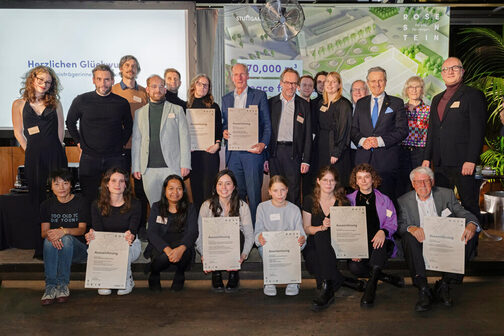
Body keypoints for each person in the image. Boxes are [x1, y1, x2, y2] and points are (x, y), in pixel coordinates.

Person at [398, 166, 480, 312]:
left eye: (426, 181)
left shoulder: (446, 194)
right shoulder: (404, 201)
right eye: (418, 182)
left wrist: (472, 224)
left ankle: (445, 284)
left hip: (444, 239)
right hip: (421, 241)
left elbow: (463, 213)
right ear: (413, 184)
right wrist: (412, 228)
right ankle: (423, 288)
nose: (423, 185)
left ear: (432, 181)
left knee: (470, 234)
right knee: (407, 238)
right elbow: (401, 225)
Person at [422, 57, 487, 219]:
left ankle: (471, 243)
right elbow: (432, 130)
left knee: (469, 203)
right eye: (446, 69)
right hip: (440, 163)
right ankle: (449, 242)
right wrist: (427, 158)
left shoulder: (473, 95)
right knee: (444, 205)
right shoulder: (437, 98)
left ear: (462, 71)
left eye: (455, 68)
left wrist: (471, 159)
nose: (450, 72)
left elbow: (478, 131)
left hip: (463, 162)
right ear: (442, 74)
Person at [66, 64, 132, 204]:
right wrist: (79, 142)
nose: (103, 83)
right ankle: (91, 226)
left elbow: (129, 126)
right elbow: (70, 122)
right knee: (89, 198)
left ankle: (115, 226)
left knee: (118, 197)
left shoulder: (121, 103)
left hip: (115, 157)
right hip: (89, 158)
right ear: (93, 80)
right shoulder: (81, 100)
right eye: (99, 79)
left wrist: (121, 144)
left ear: (113, 81)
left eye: (107, 79)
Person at [222, 63, 272, 223]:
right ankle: (240, 231)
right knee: (237, 195)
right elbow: (225, 124)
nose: (239, 78)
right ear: (232, 77)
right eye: (236, 74)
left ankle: (256, 233)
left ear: (248, 76)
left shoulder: (259, 95)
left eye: (242, 74)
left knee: (254, 195)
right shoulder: (226, 99)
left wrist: (263, 145)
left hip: (253, 153)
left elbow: (267, 124)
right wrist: (224, 132)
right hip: (234, 154)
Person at [347, 163, 402, 306]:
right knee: (354, 268)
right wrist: (352, 249)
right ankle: (385, 277)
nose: (364, 181)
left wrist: (383, 231)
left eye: (367, 177)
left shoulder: (385, 200)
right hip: (360, 244)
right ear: (356, 181)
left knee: (380, 246)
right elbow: (344, 227)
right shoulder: (348, 201)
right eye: (360, 178)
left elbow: (393, 222)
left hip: (381, 241)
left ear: (373, 179)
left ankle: (370, 289)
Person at [132, 75, 191, 206]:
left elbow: (185, 138)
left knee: (174, 206)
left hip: (172, 167)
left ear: (165, 90)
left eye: (161, 86)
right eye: (154, 86)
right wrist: (136, 166)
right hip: (148, 168)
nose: (157, 90)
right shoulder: (139, 113)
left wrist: (185, 163)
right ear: (147, 89)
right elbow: (137, 141)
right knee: (154, 206)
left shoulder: (177, 110)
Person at [351, 66, 408, 202]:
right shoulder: (361, 103)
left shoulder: (396, 103)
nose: (377, 84)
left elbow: (402, 130)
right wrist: (362, 141)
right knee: (363, 202)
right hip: (363, 162)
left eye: (380, 80)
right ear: (368, 82)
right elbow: (353, 130)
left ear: (386, 81)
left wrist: (380, 141)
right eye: (373, 81)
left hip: (386, 163)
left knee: (386, 201)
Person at [12, 66, 67, 205]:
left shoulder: (55, 103)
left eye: (48, 82)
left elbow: (61, 130)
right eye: (41, 80)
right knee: (37, 195)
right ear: (32, 79)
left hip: (55, 154)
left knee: (59, 193)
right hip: (33, 155)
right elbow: (18, 132)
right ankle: (40, 225)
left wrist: (56, 149)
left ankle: (59, 225)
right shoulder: (18, 104)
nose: (44, 84)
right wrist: (30, 150)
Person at [196, 169, 254, 293]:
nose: (224, 187)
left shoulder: (243, 206)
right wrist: (203, 255)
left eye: (228, 183)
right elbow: (200, 234)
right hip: (213, 246)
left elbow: (249, 235)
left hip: (235, 247)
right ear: (215, 186)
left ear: (234, 186)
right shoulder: (206, 206)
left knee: (238, 233)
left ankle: (234, 273)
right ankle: (216, 273)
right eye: (220, 183)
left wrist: (243, 254)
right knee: (211, 233)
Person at [85, 168, 141, 296]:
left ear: (126, 184)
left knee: (124, 247)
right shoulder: (96, 205)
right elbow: (98, 230)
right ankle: (105, 280)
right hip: (106, 244)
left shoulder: (135, 204)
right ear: (107, 183)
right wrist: (92, 235)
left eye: (122, 181)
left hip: (130, 244)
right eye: (114, 180)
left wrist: (130, 235)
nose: (117, 184)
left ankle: (127, 280)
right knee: (92, 246)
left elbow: (133, 229)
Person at [302, 166, 350, 311]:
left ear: (336, 183)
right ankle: (340, 280)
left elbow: (348, 229)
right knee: (313, 257)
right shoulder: (310, 200)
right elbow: (306, 228)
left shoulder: (343, 202)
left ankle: (327, 288)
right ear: (318, 181)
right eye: (325, 180)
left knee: (323, 238)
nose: (328, 184)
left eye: (332, 180)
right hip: (314, 243)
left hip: (335, 244)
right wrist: (321, 228)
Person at [111, 55, 149, 237]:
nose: (130, 68)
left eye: (134, 66)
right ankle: (121, 226)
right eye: (127, 65)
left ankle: (140, 227)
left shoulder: (144, 92)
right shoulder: (112, 90)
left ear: (137, 69)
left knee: (140, 189)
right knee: (120, 187)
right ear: (120, 69)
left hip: (141, 147)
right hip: (119, 148)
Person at [40, 169, 88, 305]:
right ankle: (50, 287)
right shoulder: (46, 205)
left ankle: (62, 284)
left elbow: (82, 230)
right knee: (50, 239)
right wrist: (54, 235)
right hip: (55, 248)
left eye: (65, 183)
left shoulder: (81, 202)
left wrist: (64, 231)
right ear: (51, 187)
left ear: (71, 185)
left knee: (65, 238)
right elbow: (44, 233)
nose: (61, 188)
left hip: (78, 250)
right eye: (56, 184)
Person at [265, 68, 312, 206]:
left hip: (294, 154)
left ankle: (293, 225)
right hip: (274, 153)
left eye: (294, 83)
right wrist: (265, 157)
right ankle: (277, 224)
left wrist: (306, 160)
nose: (290, 86)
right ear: (281, 83)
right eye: (287, 82)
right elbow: (265, 130)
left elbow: (308, 135)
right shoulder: (271, 103)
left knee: (293, 191)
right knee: (275, 189)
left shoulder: (303, 105)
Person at [254, 175, 306, 296]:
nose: (280, 194)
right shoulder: (262, 208)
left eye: (283, 190)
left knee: (299, 245)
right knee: (262, 247)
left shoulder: (294, 209)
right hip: (270, 245)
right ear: (269, 192)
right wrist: (259, 238)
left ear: (287, 190)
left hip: (289, 245)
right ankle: (270, 280)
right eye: (275, 190)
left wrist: (302, 238)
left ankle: (293, 280)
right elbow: (258, 231)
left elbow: (301, 232)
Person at [145, 175, 198, 291]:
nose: (175, 192)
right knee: (163, 257)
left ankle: (180, 274)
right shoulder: (156, 207)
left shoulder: (190, 208)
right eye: (171, 188)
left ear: (183, 191)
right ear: (165, 190)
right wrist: (167, 249)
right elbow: (151, 232)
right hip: (161, 245)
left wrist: (181, 248)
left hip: (182, 245)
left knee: (185, 253)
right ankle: (154, 273)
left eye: (179, 188)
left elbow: (193, 232)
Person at [186, 74, 223, 210]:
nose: (202, 87)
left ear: (209, 88)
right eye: (200, 84)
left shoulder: (214, 107)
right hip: (193, 154)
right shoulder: (186, 106)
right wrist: (186, 146)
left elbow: (219, 129)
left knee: (209, 189)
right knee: (195, 189)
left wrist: (217, 145)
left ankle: (209, 222)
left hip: (210, 153)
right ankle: (197, 225)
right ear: (194, 85)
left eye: (206, 85)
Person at [313, 72, 352, 188]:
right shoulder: (321, 103)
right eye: (327, 81)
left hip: (336, 151)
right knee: (323, 181)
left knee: (336, 182)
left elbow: (344, 131)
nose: (330, 84)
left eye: (334, 82)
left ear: (339, 85)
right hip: (322, 149)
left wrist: (336, 152)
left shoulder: (344, 104)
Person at [396, 76, 431, 198]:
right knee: (401, 185)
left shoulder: (428, 110)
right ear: (406, 90)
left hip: (420, 152)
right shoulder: (400, 109)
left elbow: (431, 135)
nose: (414, 90)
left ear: (422, 90)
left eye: (417, 87)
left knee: (419, 184)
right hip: (402, 151)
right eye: (411, 87)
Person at [349, 80, 369, 167]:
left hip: (366, 152)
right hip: (349, 152)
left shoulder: (372, 109)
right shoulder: (347, 108)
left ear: (367, 92)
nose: (357, 92)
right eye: (354, 89)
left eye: (361, 89)